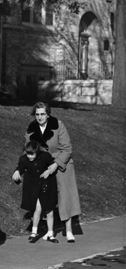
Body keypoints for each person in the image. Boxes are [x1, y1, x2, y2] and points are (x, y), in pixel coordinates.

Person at [22, 102, 81, 242]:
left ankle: (69, 230)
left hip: (61, 164)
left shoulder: (58, 125)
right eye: (37, 114)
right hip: (43, 166)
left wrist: (55, 165)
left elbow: (67, 149)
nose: (40, 117)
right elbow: (27, 150)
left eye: (43, 114)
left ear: (48, 114)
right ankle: (49, 231)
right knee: (44, 197)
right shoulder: (31, 130)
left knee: (65, 195)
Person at [13, 140, 59, 243]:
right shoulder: (24, 159)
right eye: (28, 153)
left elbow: (53, 165)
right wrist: (16, 172)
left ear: (37, 151)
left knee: (50, 211)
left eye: (32, 154)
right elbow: (20, 167)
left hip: (47, 185)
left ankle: (50, 234)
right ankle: (34, 232)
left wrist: (49, 170)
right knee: (37, 209)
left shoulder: (45, 156)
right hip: (34, 186)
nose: (29, 156)